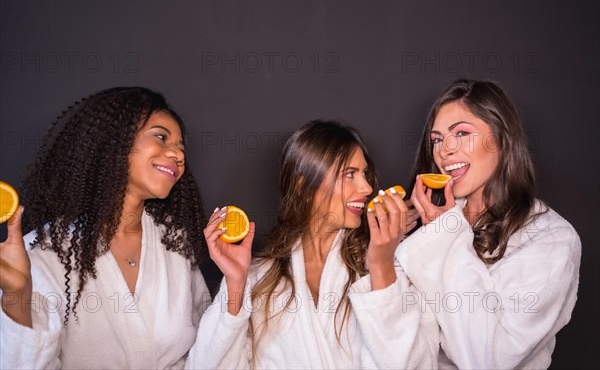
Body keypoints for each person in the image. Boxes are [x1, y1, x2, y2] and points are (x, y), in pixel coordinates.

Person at [186, 120, 439, 369]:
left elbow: (418, 364)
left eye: (364, 174)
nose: (367, 187)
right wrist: (235, 286)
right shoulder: (259, 276)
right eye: (349, 174)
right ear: (304, 185)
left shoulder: (392, 265)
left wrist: (381, 265)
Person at [0, 87, 211, 369]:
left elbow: (207, 347)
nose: (178, 155)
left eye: (181, 148)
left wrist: (235, 285)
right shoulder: (43, 251)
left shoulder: (174, 241)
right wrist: (18, 296)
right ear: (115, 141)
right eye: (161, 137)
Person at [396, 79, 582, 369]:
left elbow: (490, 358)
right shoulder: (429, 224)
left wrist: (443, 235)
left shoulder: (551, 239)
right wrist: (391, 246)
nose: (445, 150)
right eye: (437, 139)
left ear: (502, 139)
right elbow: (399, 339)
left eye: (461, 133)